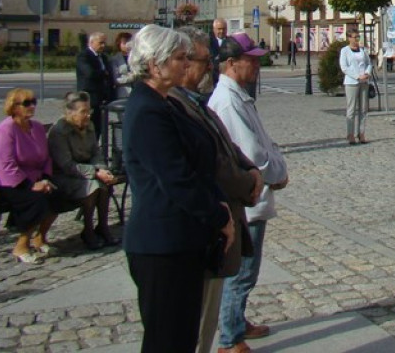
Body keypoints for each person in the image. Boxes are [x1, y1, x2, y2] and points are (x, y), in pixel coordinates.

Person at [122, 25, 234, 353]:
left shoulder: (164, 103)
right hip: (161, 244)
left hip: (181, 240)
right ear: (155, 64)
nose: (186, 64)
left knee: (182, 337)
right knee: (167, 340)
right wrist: (218, 216)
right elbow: (176, 179)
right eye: (179, 58)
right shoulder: (147, 110)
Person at [171, 28, 263, 353]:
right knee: (196, 323)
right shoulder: (176, 105)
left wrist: (252, 171)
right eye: (200, 60)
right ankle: (230, 336)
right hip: (205, 224)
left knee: (210, 312)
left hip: (227, 212)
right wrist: (251, 181)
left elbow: (229, 148)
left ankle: (229, 331)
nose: (206, 67)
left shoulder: (198, 102)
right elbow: (217, 163)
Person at [210, 32, 289, 353]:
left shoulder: (237, 95)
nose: (257, 65)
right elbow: (251, 153)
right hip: (248, 196)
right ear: (231, 64)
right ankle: (229, 339)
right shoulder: (227, 101)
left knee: (247, 269)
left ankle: (238, 322)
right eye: (251, 60)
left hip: (254, 193)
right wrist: (277, 174)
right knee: (241, 272)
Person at [0, 88, 64, 264]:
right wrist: (31, 185)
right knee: (38, 200)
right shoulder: (6, 129)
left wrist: (45, 178)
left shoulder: (36, 127)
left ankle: (40, 238)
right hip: (7, 182)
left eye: (33, 102)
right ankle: (21, 245)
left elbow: (46, 157)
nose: (32, 106)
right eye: (26, 103)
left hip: (35, 177)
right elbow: (5, 164)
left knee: (59, 195)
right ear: (14, 107)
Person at [47, 91, 120, 250]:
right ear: (70, 112)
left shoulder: (89, 126)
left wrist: (102, 169)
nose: (87, 115)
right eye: (83, 112)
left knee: (103, 184)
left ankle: (102, 226)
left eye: (89, 111)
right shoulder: (59, 132)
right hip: (63, 176)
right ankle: (87, 230)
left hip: (85, 172)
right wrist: (94, 172)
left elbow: (96, 152)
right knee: (93, 186)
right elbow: (66, 165)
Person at [76, 32, 116, 141]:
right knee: (87, 127)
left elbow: (110, 75)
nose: (103, 46)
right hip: (89, 98)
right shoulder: (84, 55)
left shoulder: (103, 57)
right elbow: (89, 73)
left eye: (104, 43)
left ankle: (96, 149)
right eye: (100, 43)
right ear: (92, 42)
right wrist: (103, 73)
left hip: (101, 99)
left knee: (98, 128)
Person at [339, 30, 372, 145]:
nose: (357, 39)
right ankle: (350, 134)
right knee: (351, 109)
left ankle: (361, 133)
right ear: (349, 38)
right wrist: (358, 76)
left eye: (358, 37)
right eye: (354, 37)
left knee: (363, 109)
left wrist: (367, 73)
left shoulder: (363, 50)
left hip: (364, 81)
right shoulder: (345, 51)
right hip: (351, 82)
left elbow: (369, 63)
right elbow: (344, 67)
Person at [110, 31, 135, 101]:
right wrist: (131, 78)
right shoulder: (115, 59)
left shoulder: (135, 57)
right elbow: (116, 80)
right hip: (123, 93)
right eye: (124, 43)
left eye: (129, 43)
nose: (127, 45)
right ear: (119, 44)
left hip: (136, 91)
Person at [210, 18, 229, 86]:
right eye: (219, 29)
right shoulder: (208, 42)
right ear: (214, 29)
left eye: (224, 29)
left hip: (227, 78)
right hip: (212, 80)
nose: (222, 31)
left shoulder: (231, 42)